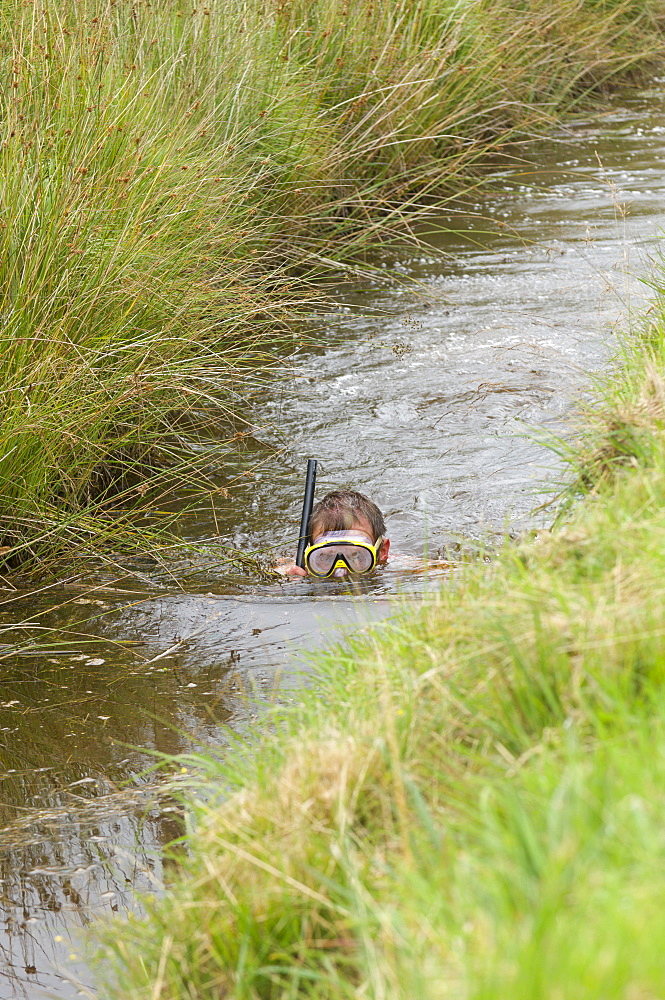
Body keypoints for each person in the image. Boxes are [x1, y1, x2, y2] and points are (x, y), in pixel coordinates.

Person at [278, 488, 390, 578]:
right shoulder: (291, 567)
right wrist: (289, 586)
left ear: (382, 551)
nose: (340, 574)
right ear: (307, 556)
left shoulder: (400, 568)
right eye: (326, 557)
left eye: (356, 555)